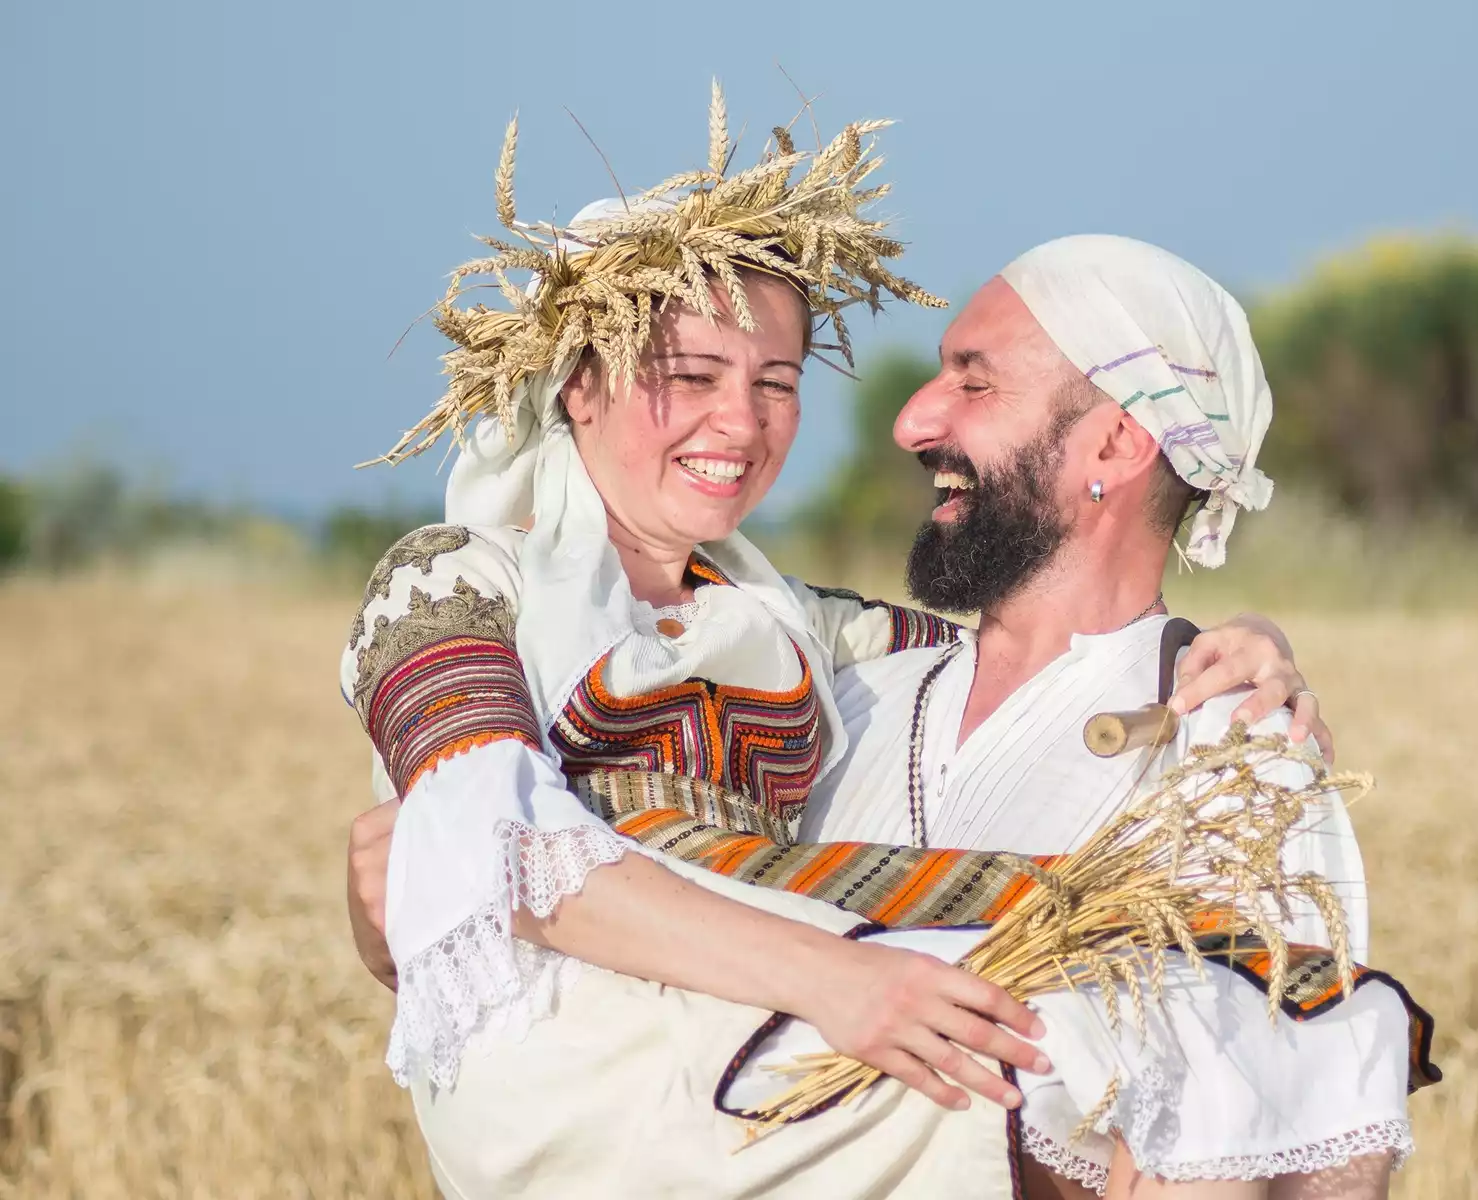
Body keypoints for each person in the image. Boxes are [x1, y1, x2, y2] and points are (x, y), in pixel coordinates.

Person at [342, 97, 1344, 1199]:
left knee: (1162, 1023)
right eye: (692, 375)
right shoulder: (450, 581)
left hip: (729, 1040)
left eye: (775, 383)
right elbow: (498, 851)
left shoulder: (792, 626)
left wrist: (1241, 644)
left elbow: (1033, 643)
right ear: (578, 384)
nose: (741, 422)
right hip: (580, 1084)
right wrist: (841, 980)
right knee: (1082, 1020)